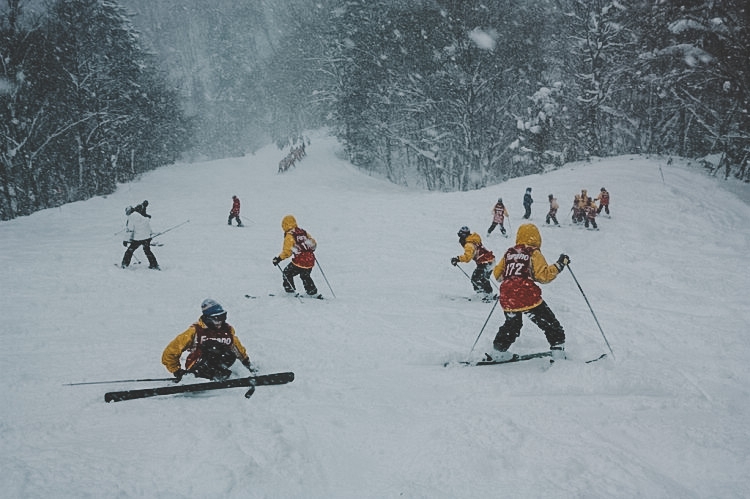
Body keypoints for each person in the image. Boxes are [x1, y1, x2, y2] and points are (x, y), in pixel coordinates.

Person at [489, 223, 569, 360]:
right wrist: (560, 264)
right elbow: (543, 276)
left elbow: (497, 275)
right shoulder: (533, 252)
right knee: (549, 323)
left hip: (507, 294)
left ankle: (498, 351)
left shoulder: (510, 252)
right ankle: (558, 351)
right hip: (525, 294)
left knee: (512, 325)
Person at [162, 299, 256, 382]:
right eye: (216, 319)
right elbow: (170, 352)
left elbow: (237, 348)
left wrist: (247, 363)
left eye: (222, 317)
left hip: (218, 366)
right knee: (211, 346)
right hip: (199, 366)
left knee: (227, 352)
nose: (219, 322)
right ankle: (198, 377)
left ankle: (219, 375)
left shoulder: (227, 331)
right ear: (208, 318)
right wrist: (177, 371)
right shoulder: (196, 331)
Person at [272, 214, 321, 297]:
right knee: (305, 275)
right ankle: (312, 291)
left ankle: (290, 291)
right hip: (310, 260)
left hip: (300, 261)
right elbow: (313, 244)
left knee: (287, 273)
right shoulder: (303, 232)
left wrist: (278, 259)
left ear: (285, 225)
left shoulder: (290, 235)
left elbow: (287, 251)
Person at [451, 226, 496, 302]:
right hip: (490, 261)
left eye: (460, 235)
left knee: (476, 278)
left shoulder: (469, 244)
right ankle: (488, 294)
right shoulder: (473, 240)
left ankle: (482, 294)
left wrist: (457, 259)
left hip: (485, 262)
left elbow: (468, 257)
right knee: (483, 278)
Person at [121, 202, 159, 270]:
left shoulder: (131, 217)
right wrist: (150, 234)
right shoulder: (141, 216)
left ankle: (124, 265)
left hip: (138, 238)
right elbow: (147, 225)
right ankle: (154, 265)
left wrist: (126, 240)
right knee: (147, 250)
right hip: (147, 237)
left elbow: (130, 230)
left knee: (129, 251)